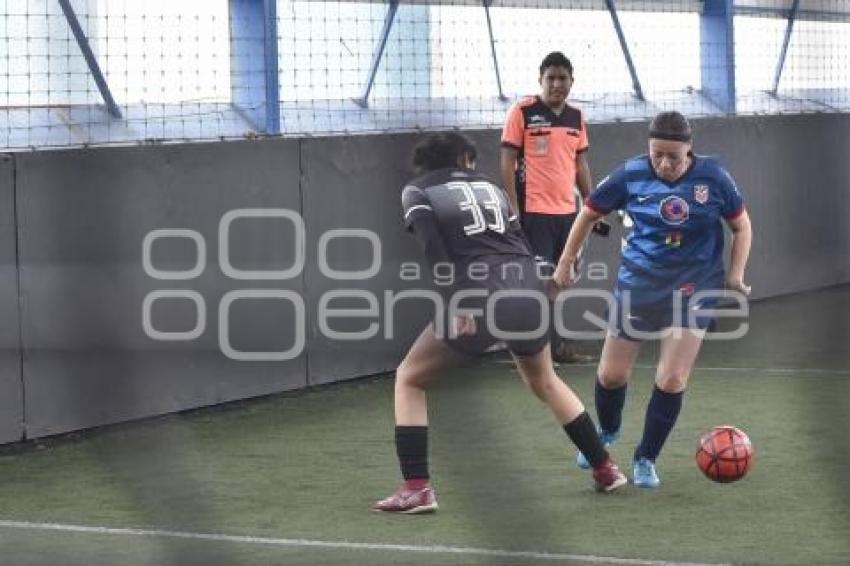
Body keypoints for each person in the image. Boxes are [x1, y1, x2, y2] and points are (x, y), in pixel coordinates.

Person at [372, 132, 627, 514]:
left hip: (480, 292)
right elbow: (518, 241)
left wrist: (459, 303)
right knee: (544, 380)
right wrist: (546, 283)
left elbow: (434, 249)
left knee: (409, 377)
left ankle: (417, 488)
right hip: (527, 286)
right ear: (465, 159)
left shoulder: (417, 191)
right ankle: (605, 468)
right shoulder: (491, 187)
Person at [553, 111, 753, 488]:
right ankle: (607, 430)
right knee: (612, 375)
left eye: (674, 157)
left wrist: (735, 273)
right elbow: (588, 212)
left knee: (672, 376)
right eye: (657, 154)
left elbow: (741, 226)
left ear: (689, 151)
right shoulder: (630, 173)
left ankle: (646, 457)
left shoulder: (714, 177)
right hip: (639, 284)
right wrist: (566, 261)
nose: (664, 163)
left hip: (694, 284)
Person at [500, 51, 594, 364]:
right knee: (537, 283)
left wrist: (593, 203)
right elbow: (507, 161)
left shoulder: (576, 117)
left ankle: (557, 348)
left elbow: (580, 163)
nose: (556, 84)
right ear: (540, 80)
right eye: (550, 78)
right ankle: (534, 353)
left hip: (568, 214)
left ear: (571, 81)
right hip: (533, 213)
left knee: (560, 280)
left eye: (562, 78)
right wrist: (513, 207)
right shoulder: (523, 111)